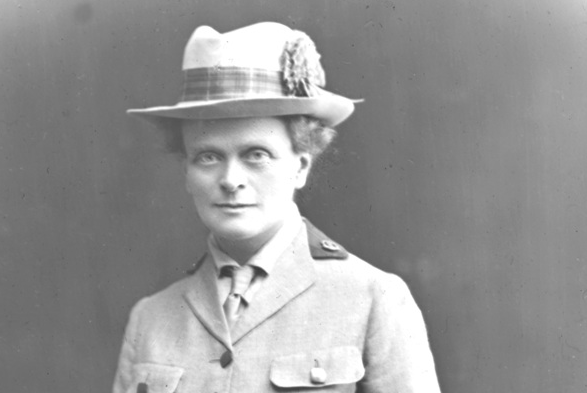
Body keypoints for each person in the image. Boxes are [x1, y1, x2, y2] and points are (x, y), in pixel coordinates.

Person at [113, 22, 441, 393]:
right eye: (208, 157)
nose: (230, 179)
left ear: (300, 166)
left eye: (257, 154)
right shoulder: (150, 319)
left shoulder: (373, 299)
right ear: (186, 172)